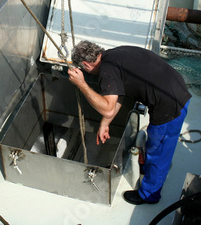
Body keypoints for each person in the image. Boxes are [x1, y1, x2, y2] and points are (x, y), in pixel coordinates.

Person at [68, 40, 191, 205]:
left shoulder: (107, 71)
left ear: (85, 65)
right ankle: (155, 171)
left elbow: (108, 109)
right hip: (177, 89)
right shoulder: (115, 55)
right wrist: (105, 124)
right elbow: (118, 94)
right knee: (158, 147)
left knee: (158, 151)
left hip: (169, 106)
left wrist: (82, 84)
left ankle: (149, 195)